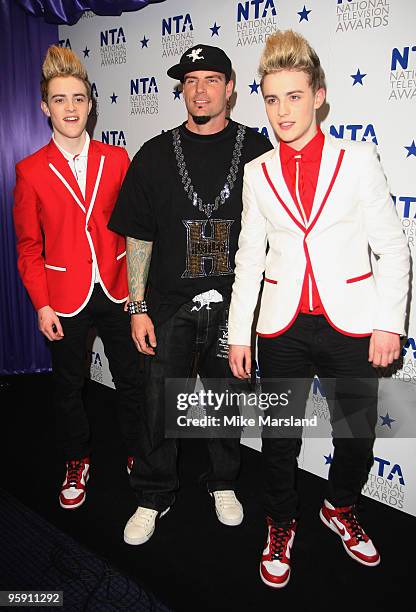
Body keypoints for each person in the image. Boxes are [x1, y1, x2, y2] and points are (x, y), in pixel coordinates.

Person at [228, 30, 410, 588]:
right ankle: (280, 522)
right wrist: (239, 334)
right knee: (279, 438)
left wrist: (388, 323)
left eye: (294, 96)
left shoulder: (357, 159)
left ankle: (340, 506)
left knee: (355, 435)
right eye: (272, 98)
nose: (282, 111)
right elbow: (248, 254)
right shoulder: (258, 171)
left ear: (319, 96)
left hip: (350, 324)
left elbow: (392, 246)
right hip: (280, 327)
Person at [109, 44, 273, 544]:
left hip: (234, 307)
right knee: (160, 405)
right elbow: (138, 234)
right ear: (182, 88)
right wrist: (137, 307)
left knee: (227, 401)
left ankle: (223, 482)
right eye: (190, 81)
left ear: (229, 88)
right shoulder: (156, 153)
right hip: (168, 304)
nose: (199, 90)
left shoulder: (257, 150)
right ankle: (152, 494)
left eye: (210, 80)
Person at [13, 46, 142, 510]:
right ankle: (76, 459)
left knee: (133, 378)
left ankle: (137, 452)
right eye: (60, 99)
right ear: (45, 107)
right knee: (69, 387)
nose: (71, 107)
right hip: (63, 297)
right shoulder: (29, 171)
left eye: (79, 98)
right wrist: (42, 304)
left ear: (90, 103)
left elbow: (135, 231)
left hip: (116, 287)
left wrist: (139, 297)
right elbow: (29, 247)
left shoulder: (117, 157)